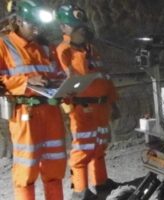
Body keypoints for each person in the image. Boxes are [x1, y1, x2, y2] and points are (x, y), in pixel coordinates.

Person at [0, 0, 66, 200]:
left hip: (50, 112)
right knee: (26, 168)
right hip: (24, 114)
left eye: (40, 25)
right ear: (19, 21)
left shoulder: (44, 47)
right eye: (32, 25)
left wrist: (63, 83)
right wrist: (27, 82)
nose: (37, 30)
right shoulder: (4, 44)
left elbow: (57, 73)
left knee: (55, 165)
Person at [55, 4, 120, 199]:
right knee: (82, 150)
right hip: (82, 108)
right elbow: (62, 83)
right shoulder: (63, 51)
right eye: (77, 28)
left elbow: (105, 78)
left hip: (101, 106)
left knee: (99, 146)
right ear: (64, 28)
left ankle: (101, 183)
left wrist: (113, 102)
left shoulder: (92, 50)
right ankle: (80, 190)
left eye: (83, 27)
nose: (82, 31)